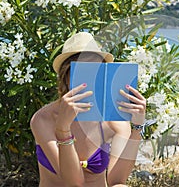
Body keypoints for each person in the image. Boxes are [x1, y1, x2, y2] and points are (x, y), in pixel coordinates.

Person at [30, 32, 146, 187]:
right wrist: (63, 129)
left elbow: (117, 180)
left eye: (97, 71)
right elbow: (74, 183)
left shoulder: (112, 119)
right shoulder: (44, 119)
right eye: (83, 71)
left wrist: (137, 127)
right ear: (66, 76)